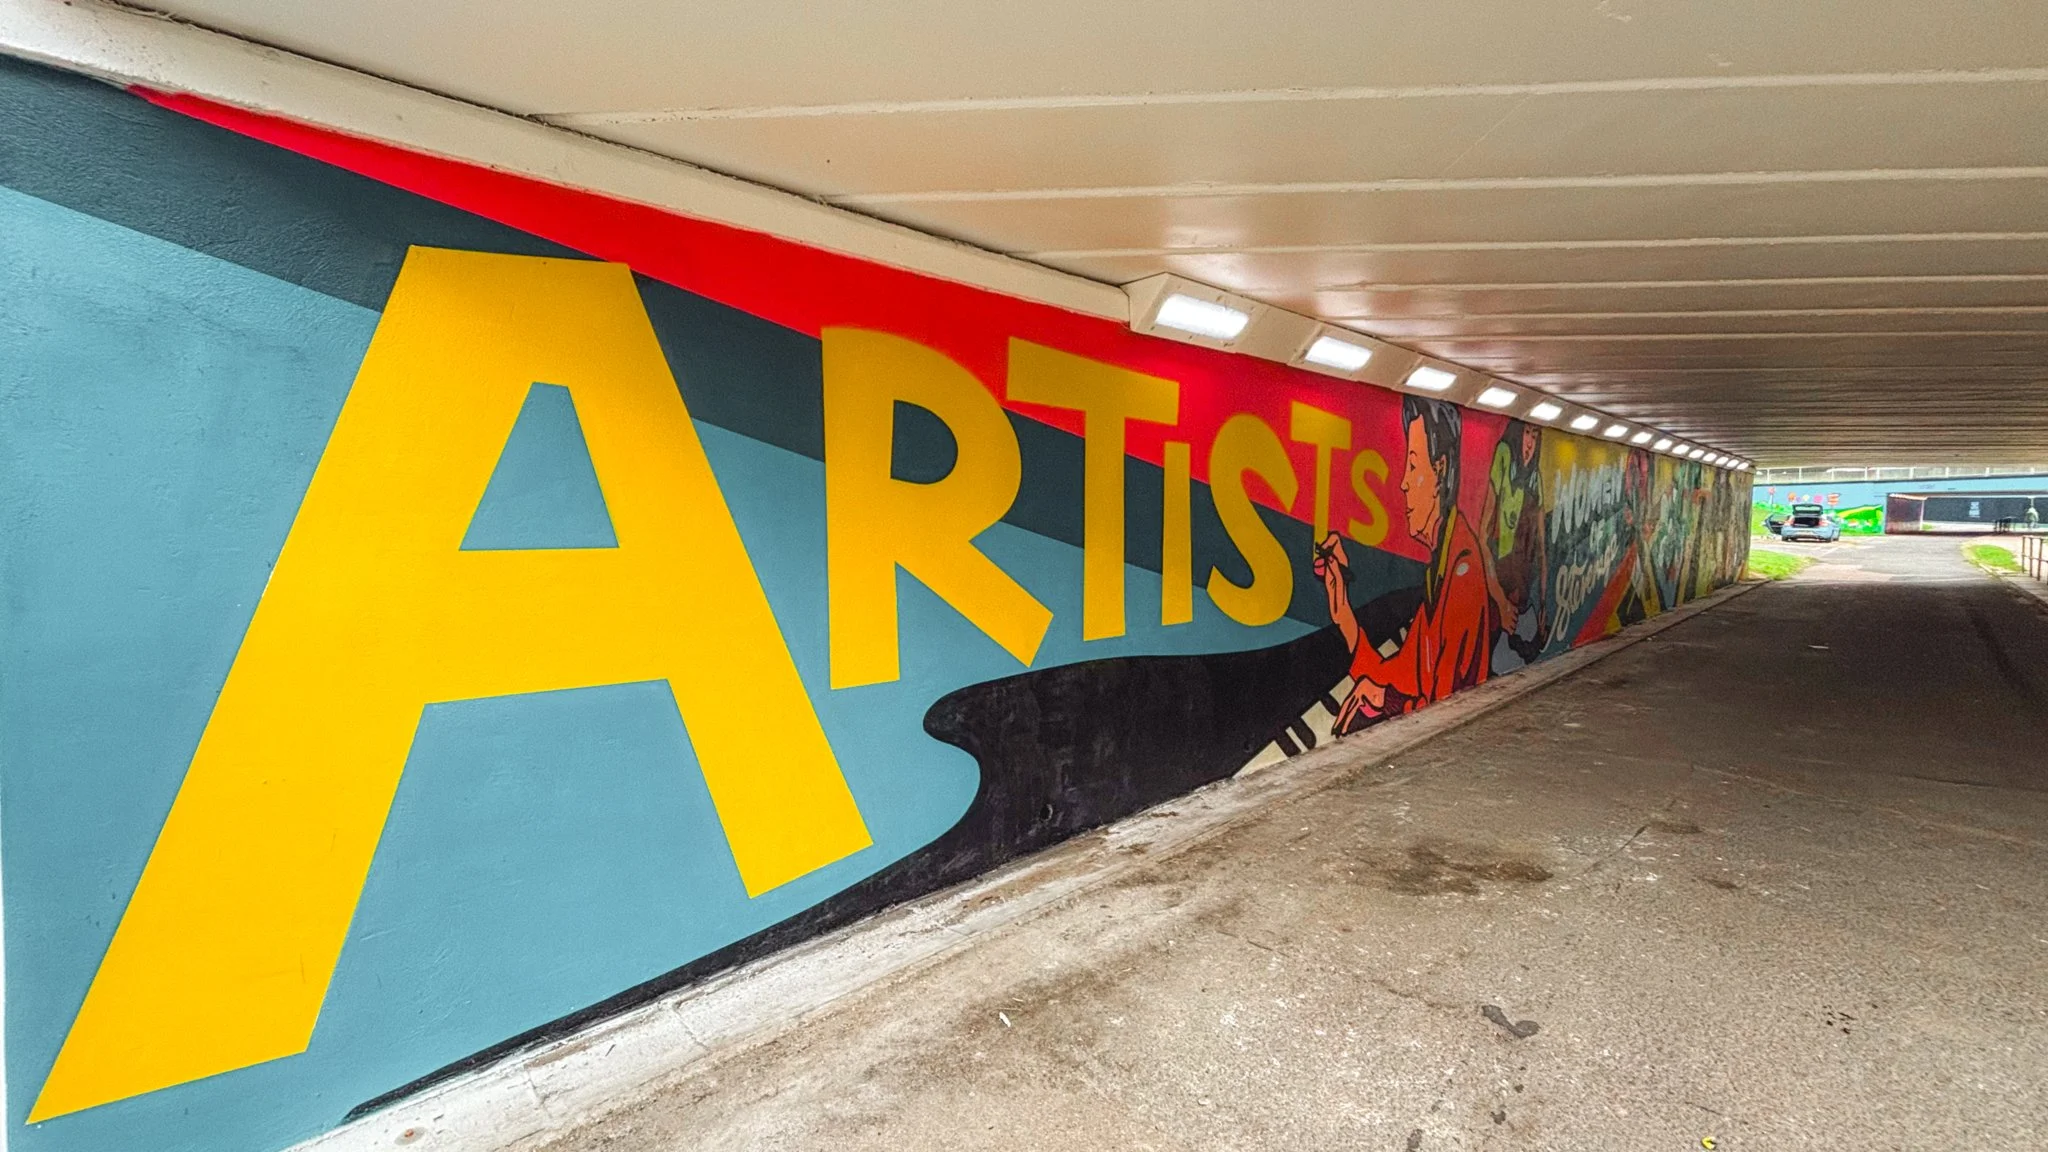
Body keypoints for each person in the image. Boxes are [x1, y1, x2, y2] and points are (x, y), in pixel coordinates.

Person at [1314, 396, 1496, 734]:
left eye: (1413, 467)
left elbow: (1442, 705)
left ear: (1439, 471)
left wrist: (1387, 699)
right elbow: (1395, 674)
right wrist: (1341, 611)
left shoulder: (1462, 570)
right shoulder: (1440, 567)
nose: (1402, 483)